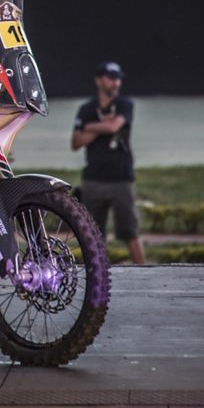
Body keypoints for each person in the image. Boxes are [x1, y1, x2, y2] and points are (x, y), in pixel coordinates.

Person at [71, 62, 145, 264]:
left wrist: (90, 127)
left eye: (118, 78)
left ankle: (143, 270)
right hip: (93, 178)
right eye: (111, 77)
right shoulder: (86, 108)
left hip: (121, 177)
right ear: (99, 80)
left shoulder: (125, 104)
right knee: (93, 234)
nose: (115, 82)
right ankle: (97, 273)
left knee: (130, 231)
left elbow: (114, 126)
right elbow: (76, 142)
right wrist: (101, 126)